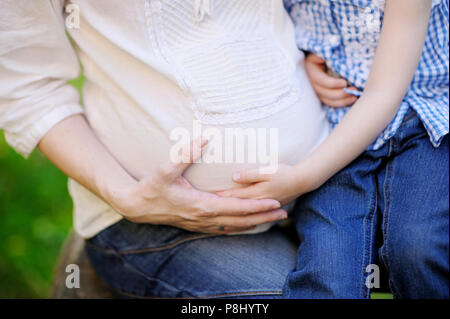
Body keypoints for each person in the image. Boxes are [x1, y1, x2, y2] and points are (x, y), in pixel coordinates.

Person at [0, 0, 330, 298]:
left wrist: (319, 50)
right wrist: (127, 197)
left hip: (327, 175)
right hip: (155, 222)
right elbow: (30, 88)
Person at [218, 0, 449, 298]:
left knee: (419, 248)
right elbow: (267, 28)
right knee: (329, 273)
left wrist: (302, 179)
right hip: (336, 128)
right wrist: (305, 59)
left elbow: (384, 93)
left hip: (423, 122)